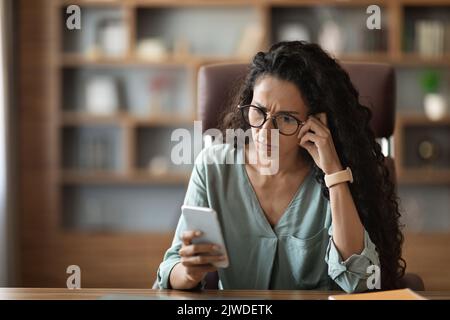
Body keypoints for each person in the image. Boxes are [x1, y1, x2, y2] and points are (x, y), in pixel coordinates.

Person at [156, 41, 405, 293]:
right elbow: (170, 268)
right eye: (259, 111)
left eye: (285, 119)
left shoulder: (337, 173)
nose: (266, 132)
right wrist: (188, 272)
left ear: (316, 123)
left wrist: (334, 173)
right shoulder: (214, 167)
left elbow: (361, 282)